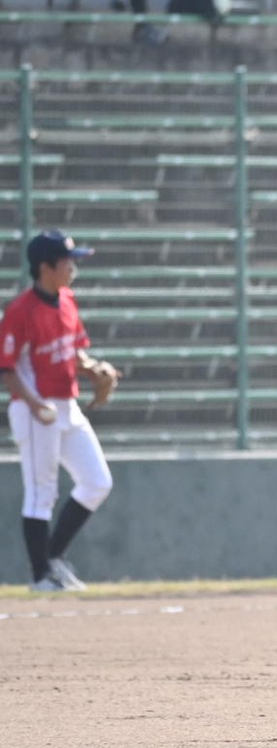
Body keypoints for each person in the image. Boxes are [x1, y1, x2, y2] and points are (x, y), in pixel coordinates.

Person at [1, 231, 119, 591]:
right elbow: (6, 367)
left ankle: (51, 559)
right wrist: (35, 405)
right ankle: (41, 577)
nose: (73, 267)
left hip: (66, 404)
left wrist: (93, 367)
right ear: (45, 267)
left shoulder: (67, 300)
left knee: (97, 481)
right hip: (36, 408)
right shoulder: (21, 311)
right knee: (41, 493)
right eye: (67, 261)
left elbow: (72, 350)